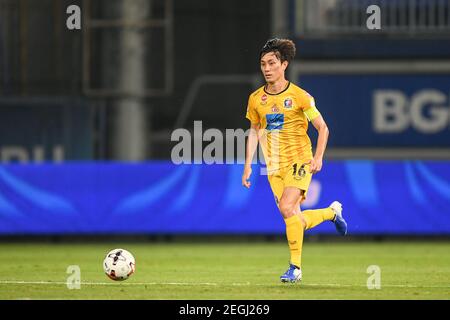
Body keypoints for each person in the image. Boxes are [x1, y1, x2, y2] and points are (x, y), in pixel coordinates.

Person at [242, 38, 347, 283]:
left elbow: (322, 128)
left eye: (271, 63)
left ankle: (295, 269)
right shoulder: (256, 99)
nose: (266, 68)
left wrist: (318, 156)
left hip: (300, 160)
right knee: (293, 217)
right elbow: (254, 131)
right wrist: (248, 164)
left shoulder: (300, 97)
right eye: (263, 64)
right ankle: (331, 213)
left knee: (287, 208)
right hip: (274, 165)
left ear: (284, 65)